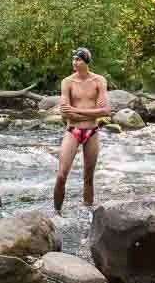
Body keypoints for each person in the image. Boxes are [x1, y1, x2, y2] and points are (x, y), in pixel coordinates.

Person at [54, 47, 110, 214]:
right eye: (74, 59)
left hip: (92, 132)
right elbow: (65, 112)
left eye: (78, 59)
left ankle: (87, 214)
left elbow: (106, 111)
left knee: (88, 177)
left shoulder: (99, 81)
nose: (74, 62)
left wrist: (77, 111)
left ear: (86, 62)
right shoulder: (67, 82)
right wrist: (91, 113)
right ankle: (57, 214)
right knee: (62, 175)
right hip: (72, 131)